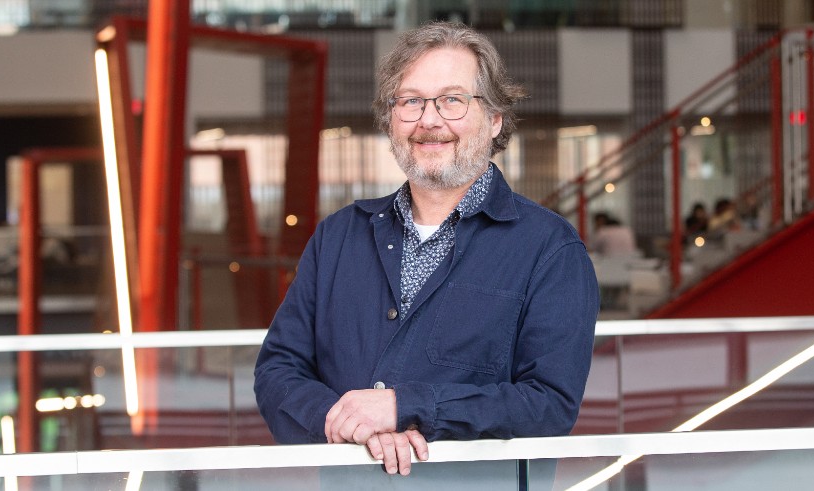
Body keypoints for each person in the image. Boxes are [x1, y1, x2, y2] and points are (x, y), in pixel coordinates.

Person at [254, 21, 599, 478]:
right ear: (391, 119)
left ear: (494, 119)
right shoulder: (338, 237)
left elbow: (549, 405)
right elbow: (278, 370)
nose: (429, 120)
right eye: (411, 101)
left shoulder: (550, 250)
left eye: (452, 100)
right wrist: (352, 424)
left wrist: (404, 407)